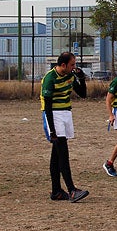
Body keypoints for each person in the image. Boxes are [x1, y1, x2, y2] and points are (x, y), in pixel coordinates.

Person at [41, 51, 89, 202]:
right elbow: (47, 106)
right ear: (63, 65)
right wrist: (52, 130)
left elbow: (82, 94)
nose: (74, 67)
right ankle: (72, 190)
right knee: (63, 153)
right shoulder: (50, 78)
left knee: (56, 156)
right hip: (54, 115)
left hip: (66, 113)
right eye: (72, 64)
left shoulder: (70, 76)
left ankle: (56, 191)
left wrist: (81, 78)